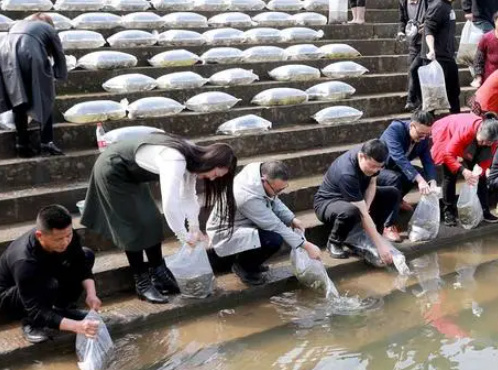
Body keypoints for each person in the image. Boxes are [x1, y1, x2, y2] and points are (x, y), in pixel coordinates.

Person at [81, 133, 237, 304]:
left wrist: (194, 227)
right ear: (211, 161)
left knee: (153, 219)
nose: (212, 178)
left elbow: (188, 196)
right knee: (132, 225)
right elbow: (171, 203)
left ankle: (158, 273)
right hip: (113, 169)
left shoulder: (195, 161)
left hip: (134, 174)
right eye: (215, 173)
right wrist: (183, 236)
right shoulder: (176, 160)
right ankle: (142, 283)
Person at [207, 161, 322, 286]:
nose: (278, 193)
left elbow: (273, 199)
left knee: (270, 234)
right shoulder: (247, 197)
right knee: (273, 239)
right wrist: (306, 246)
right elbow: (276, 225)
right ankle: (244, 267)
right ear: (264, 180)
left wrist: (291, 219)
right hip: (226, 231)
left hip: (244, 221)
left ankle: (250, 262)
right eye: (277, 189)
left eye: (282, 189)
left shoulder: (258, 171)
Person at [0, 205, 100, 344]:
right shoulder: (25, 261)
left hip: (43, 275)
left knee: (87, 254)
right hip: (11, 295)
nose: (65, 242)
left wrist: (91, 294)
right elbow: (36, 309)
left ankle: (62, 308)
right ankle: (31, 323)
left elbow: (81, 265)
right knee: (47, 282)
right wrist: (77, 327)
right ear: (40, 236)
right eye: (59, 239)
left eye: (68, 235)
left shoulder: (67, 236)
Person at [314, 140, 400, 263]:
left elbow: (372, 183)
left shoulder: (374, 154)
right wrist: (381, 247)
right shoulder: (347, 172)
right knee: (351, 211)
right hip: (329, 203)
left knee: (392, 193)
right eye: (372, 166)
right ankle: (334, 242)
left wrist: (367, 205)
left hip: (357, 194)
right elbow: (362, 214)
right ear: (361, 156)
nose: (375, 170)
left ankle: (376, 233)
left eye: (379, 167)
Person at [0, 13, 67, 158]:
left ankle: (22, 145)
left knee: (18, 97)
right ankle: (46, 142)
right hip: (30, 52)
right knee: (46, 96)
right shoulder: (48, 29)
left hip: (5, 54)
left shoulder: (17, 24)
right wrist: (59, 74)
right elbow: (59, 54)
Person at [431, 112, 498, 226]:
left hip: (471, 138)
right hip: (447, 131)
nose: (485, 144)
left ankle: (485, 210)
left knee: (481, 177)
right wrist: (463, 170)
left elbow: (486, 160)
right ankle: (448, 211)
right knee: (450, 175)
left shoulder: (493, 139)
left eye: (488, 142)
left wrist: (479, 171)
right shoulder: (465, 130)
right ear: (480, 130)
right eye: (483, 141)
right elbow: (448, 154)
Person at [376, 110, 437, 242]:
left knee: (420, 173)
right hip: (379, 170)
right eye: (421, 134)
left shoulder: (423, 138)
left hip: (397, 169)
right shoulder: (395, 129)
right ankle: (388, 225)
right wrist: (419, 180)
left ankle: (397, 199)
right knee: (396, 178)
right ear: (412, 125)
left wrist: (432, 181)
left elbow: (427, 160)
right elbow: (398, 157)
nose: (423, 138)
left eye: (427, 135)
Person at [420, 0, 461, 114]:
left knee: (454, 94)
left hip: (447, 56)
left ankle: (456, 124)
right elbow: (429, 29)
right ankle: (426, 128)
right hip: (436, 59)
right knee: (431, 100)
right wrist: (431, 49)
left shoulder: (447, 6)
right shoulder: (438, 5)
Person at [399, 0, 428, 110]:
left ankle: (411, 100)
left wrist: (427, 25)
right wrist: (401, 31)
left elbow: (434, 16)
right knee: (412, 72)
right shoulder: (403, 3)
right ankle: (418, 104)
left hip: (427, 43)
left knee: (413, 69)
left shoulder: (427, 2)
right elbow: (402, 20)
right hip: (413, 42)